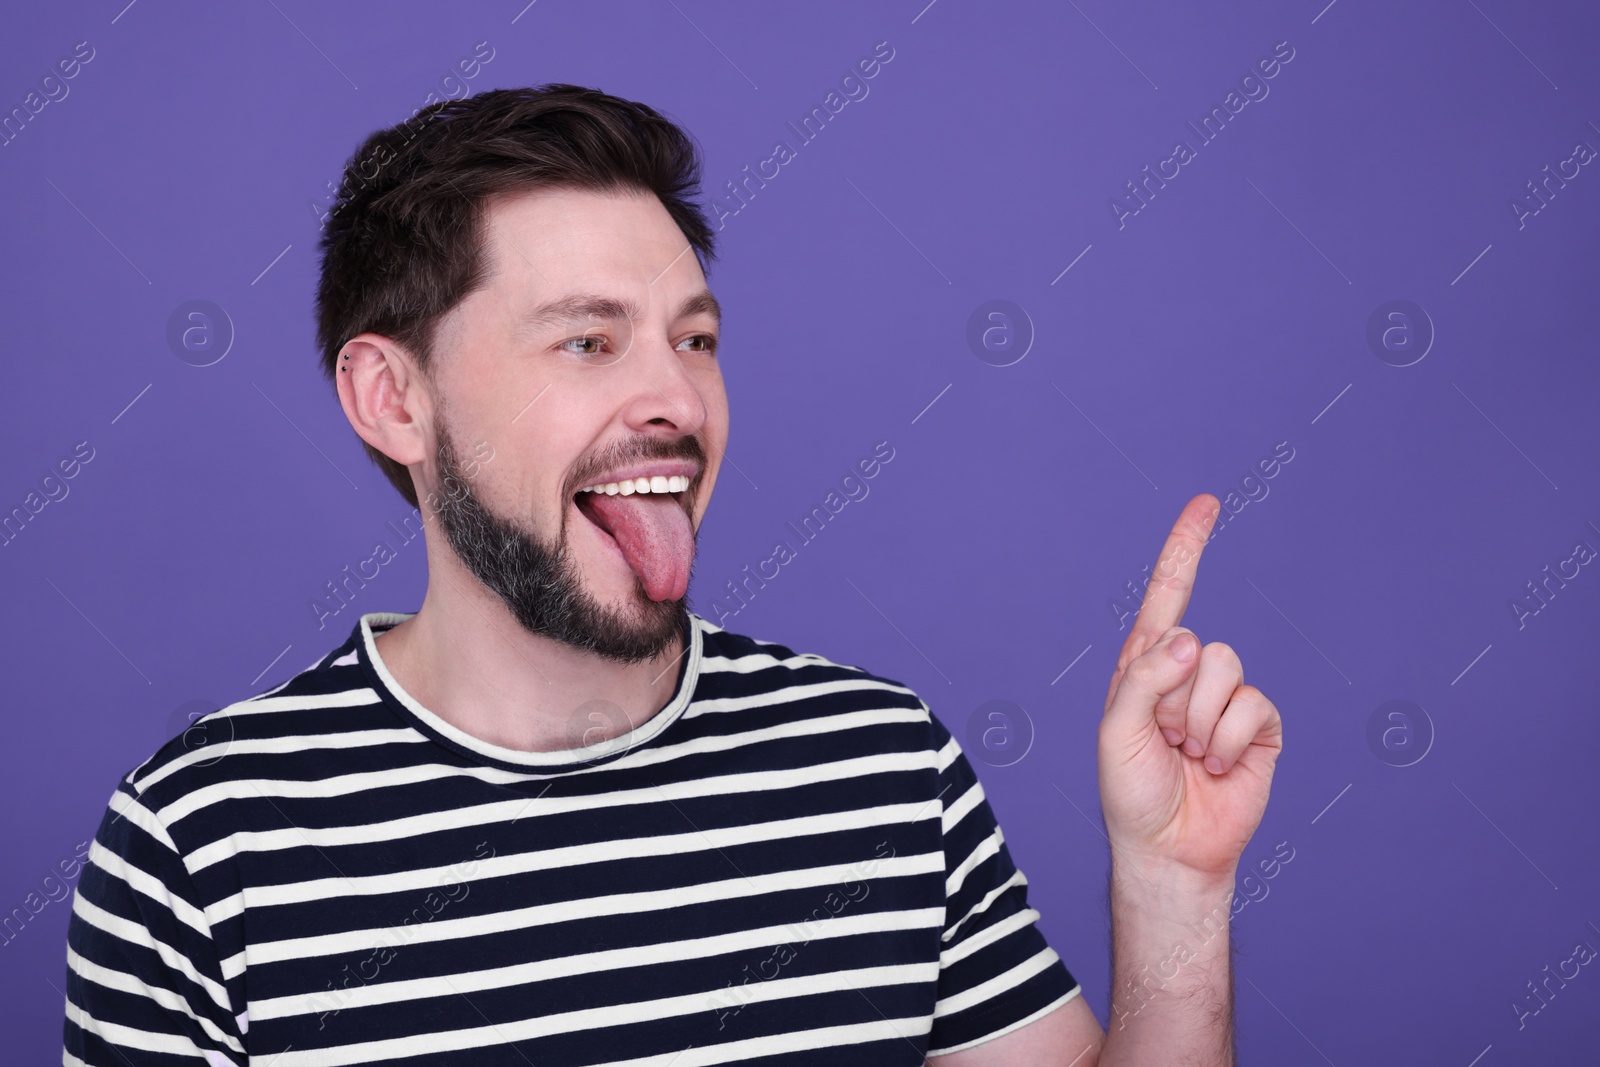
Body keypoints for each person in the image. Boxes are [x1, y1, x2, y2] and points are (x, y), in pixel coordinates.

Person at [62, 84, 1283, 1066]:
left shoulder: (878, 765)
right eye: (588, 340)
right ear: (395, 399)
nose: (674, 399)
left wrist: (1175, 885)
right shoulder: (201, 842)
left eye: (693, 339)